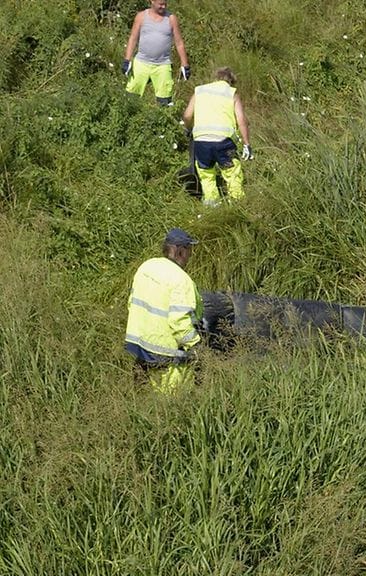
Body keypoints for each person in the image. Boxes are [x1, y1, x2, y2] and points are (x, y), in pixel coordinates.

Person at [124, 228, 203, 394]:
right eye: (189, 250)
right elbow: (179, 323)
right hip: (167, 353)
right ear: (180, 251)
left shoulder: (147, 266)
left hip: (139, 345)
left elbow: (132, 303)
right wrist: (196, 345)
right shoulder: (182, 280)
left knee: (143, 395)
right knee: (173, 403)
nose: (190, 255)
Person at [182, 67, 252, 207]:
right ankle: (238, 204)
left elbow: (187, 115)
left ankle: (211, 204)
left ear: (216, 78)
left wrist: (189, 129)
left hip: (201, 142)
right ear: (231, 81)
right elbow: (241, 120)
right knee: (232, 172)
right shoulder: (231, 93)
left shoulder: (200, 91)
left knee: (206, 174)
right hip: (223, 142)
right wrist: (246, 144)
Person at [123, 0, 190, 106]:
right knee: (131, 98)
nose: (163, 7)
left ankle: (161, 120)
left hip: (162, 65)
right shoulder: (141, 16)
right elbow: (133, 38)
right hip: (141, 62)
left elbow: (179, 42)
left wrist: (185, 65)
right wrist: (127, 60)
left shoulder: (171, 19)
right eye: (160, 4)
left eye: (165, 4)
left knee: (164, 101)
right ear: (152, 1)